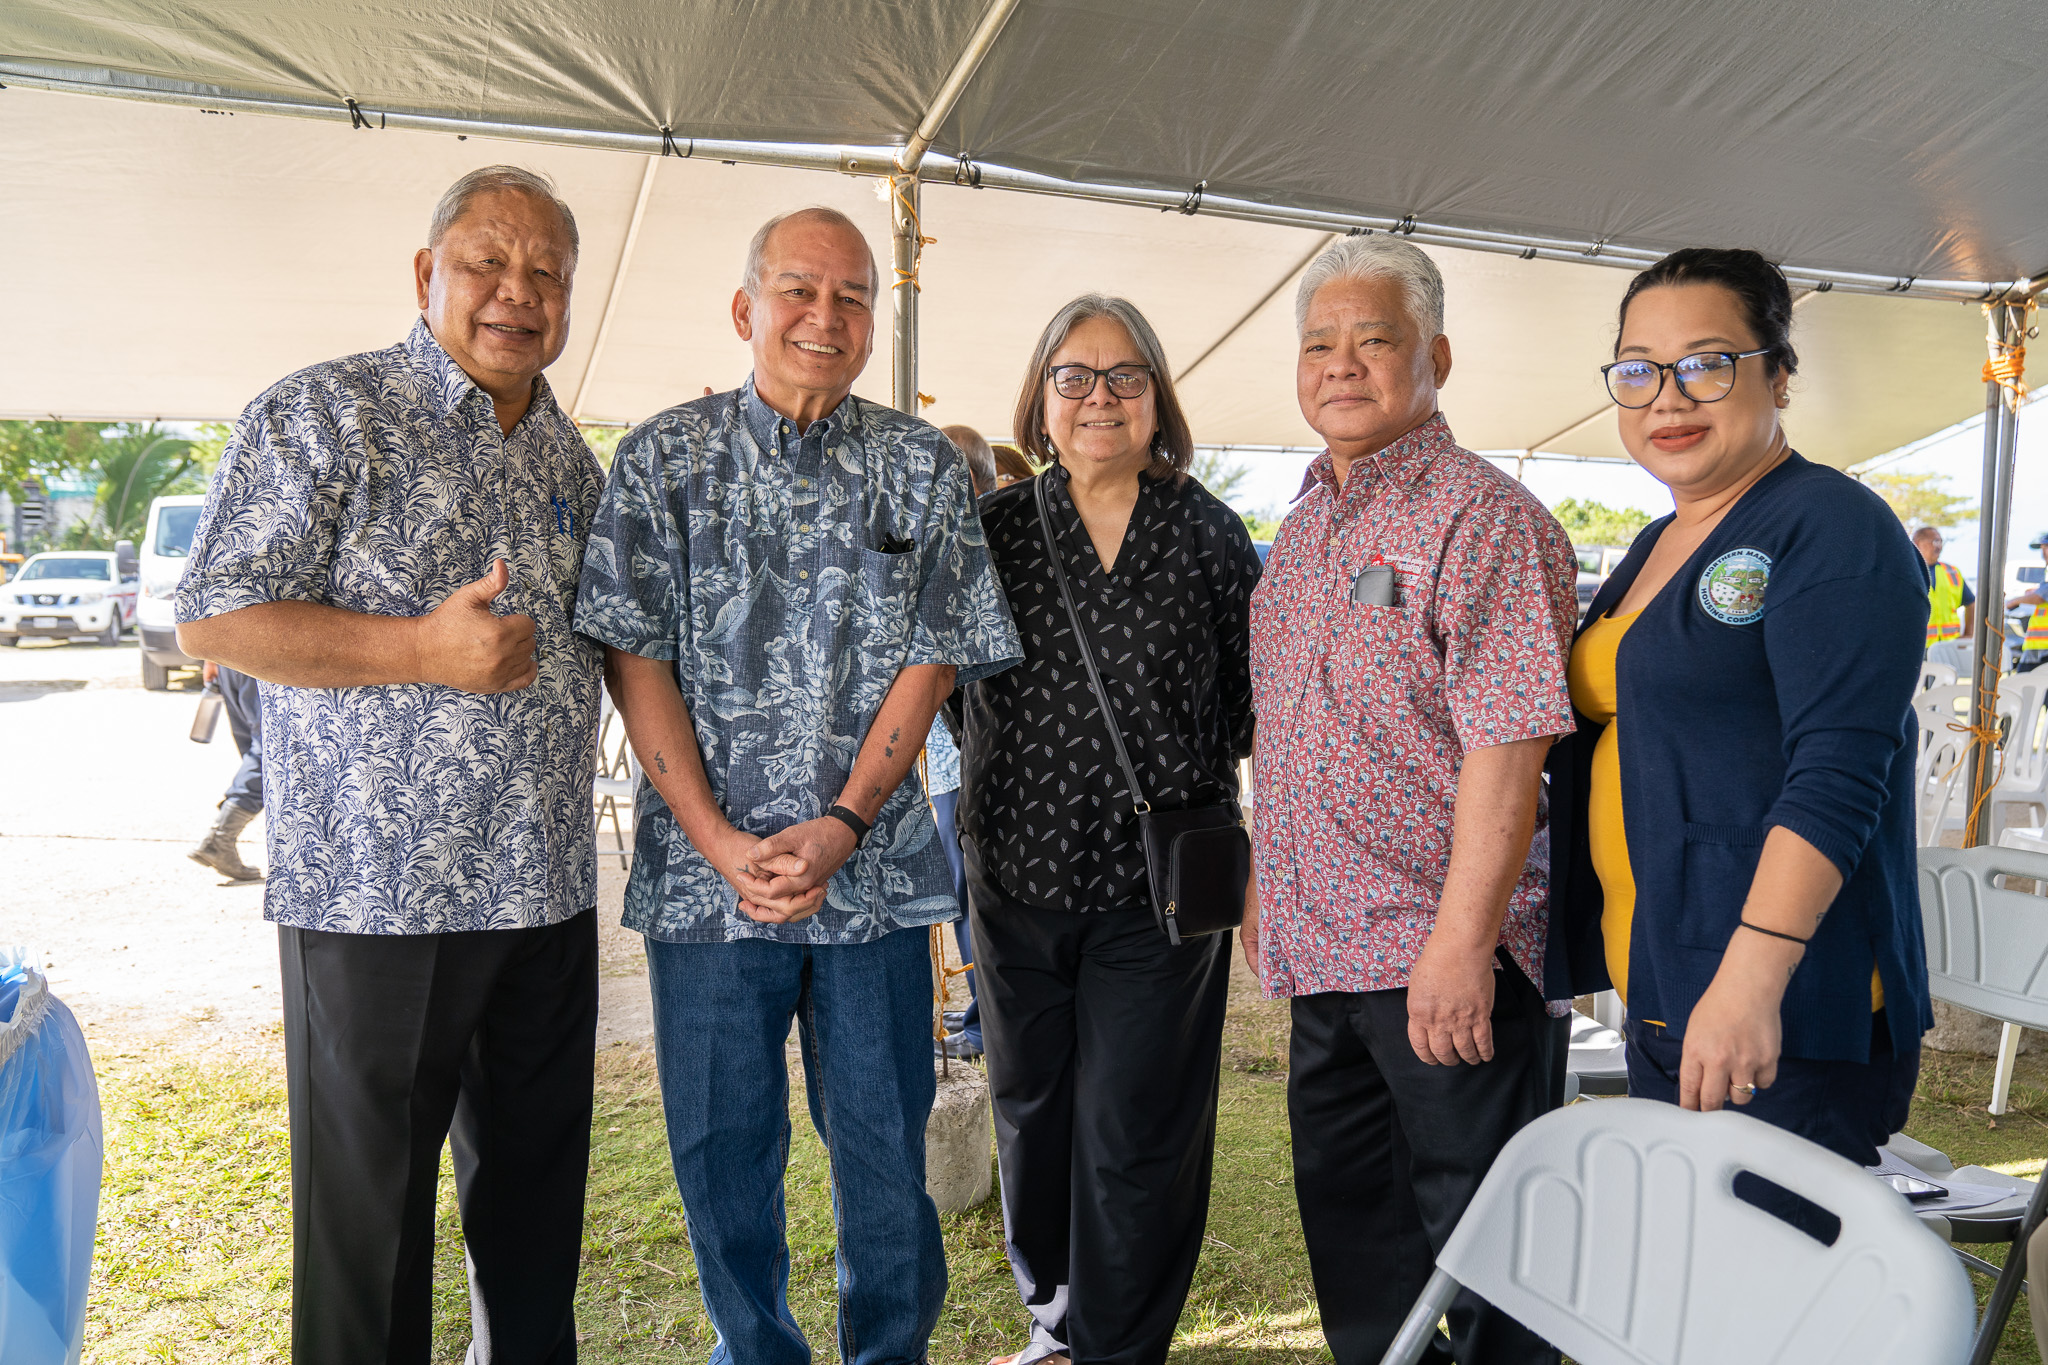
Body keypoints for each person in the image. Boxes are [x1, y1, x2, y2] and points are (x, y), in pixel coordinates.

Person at [573, 206, 1021, 1365]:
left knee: (881, 1147)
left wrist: (841, 822)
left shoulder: (917, 464)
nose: (826, 318)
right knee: (721, 1150)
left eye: (853, 297)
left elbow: (935, 657)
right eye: (798, 292)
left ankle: (887, 1353)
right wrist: (721, 841)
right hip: (700, 880)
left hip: (866, 878)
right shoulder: (661, 458)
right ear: (745, 310)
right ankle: (754, 1350)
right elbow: (634, 654)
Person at [174, 166, 603, 1363]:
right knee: (368, 1240)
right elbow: (213, 618)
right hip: (377, 900)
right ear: (428, 276)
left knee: (532, 1229)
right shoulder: (325, 413)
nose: (517, 293)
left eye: (546, 274)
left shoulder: (571, 462)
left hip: (545, 894)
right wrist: (420, 648)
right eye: (488, 263)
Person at [1247, 235, 1576, 1365]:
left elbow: (1509, 749)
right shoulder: (1295, 532)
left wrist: (1458, 943)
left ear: (1433, 354)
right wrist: (1265, 889)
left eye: (1371, 340)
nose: (1340, 364)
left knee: (1489, 1250)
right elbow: (1285, 735)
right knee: (1356, 1245)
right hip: (1320, 951)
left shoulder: (1482, 517)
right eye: (1317, 344)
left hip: (1441, 958)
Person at [1546, 247, 1932, 1169]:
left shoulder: (1833, 526)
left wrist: (1752, 978)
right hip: (1664, 971)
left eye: (1707, 363)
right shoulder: (1656, 540)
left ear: (1781, 376)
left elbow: (1841, 773)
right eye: (1639, 369)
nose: (1668, 398)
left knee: (1769, 1294)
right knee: (1695, 1284)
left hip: (1770, 997)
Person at [955, 294, 1260, 1365]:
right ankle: (1055, 1322)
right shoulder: (992, 532)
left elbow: (1247, 706)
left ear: (1156, 399)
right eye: (1073, 377)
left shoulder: (1207, 533)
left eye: (1123, 376)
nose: (1098, 397)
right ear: (1039, 400)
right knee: (1031, 1117)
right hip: (1013, 879)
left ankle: (1118, 1347)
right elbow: (952, 701)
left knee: (1138, 1132)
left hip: (1159, 893)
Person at [931, 422, 1000, 1060]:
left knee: (970, 898)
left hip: (968, 768)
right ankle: (980, 1010)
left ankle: (986, 1025)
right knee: (960, 898)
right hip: (944, 766)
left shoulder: (987, 555)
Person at [188, 660, 265, 882]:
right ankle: (219, 839)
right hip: (259, 659)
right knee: (268, 753)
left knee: (255, 748)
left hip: (229, 658)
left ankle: (220, 838)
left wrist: (210, 658)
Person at [1914, 525, 1975, 647]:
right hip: (1919, 647)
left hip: (1950, 646)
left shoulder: (1952, 572)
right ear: (1918, 543)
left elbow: (1971, 603)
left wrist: (1968, 634)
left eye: (1941, 541)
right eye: (1935, 541)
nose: (1939, 546)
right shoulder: (1908, 572)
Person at [2006, 533, 2048, 672]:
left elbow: (2040, 597)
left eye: (2046, 547)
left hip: (2042, 649)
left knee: (2025, 686)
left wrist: (2014, 601)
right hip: (2039, 646)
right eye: (2043, 548)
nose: (2044, 553)